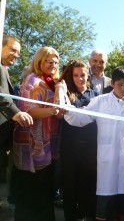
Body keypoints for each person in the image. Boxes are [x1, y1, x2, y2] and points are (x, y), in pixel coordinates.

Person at [64, 67, 124, 221]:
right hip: (107, 158)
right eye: (120, 84)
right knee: (105, 200)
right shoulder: (100, 101)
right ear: (112, 83)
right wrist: (67, 109)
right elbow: (82, 118)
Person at [12, 46, 65, 221]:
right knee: (30, 195)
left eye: (56, 62)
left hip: (48, 147)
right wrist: (53, 110)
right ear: (39, 61)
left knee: (45, 193)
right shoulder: (32, 80)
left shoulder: (53, 82)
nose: (53, 64)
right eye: (49, 61)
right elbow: (30, 111)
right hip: (31, 147)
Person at [57, 60, 98, 221]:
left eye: (83, 75)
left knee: (88, 185)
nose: (79, 78)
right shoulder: (66, 94)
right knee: (69, 185)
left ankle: (87, 214)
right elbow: (59, 114)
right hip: (70, 147)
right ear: (71, 76)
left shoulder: (95, 95)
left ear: (88, 75)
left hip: (90, 148)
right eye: (76, 75)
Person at [0, 34, 33, 183]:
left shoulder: (4, 68)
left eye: (18, 53)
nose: (16, 56)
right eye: (13, 50)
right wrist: (17, 114)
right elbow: (2, 97)